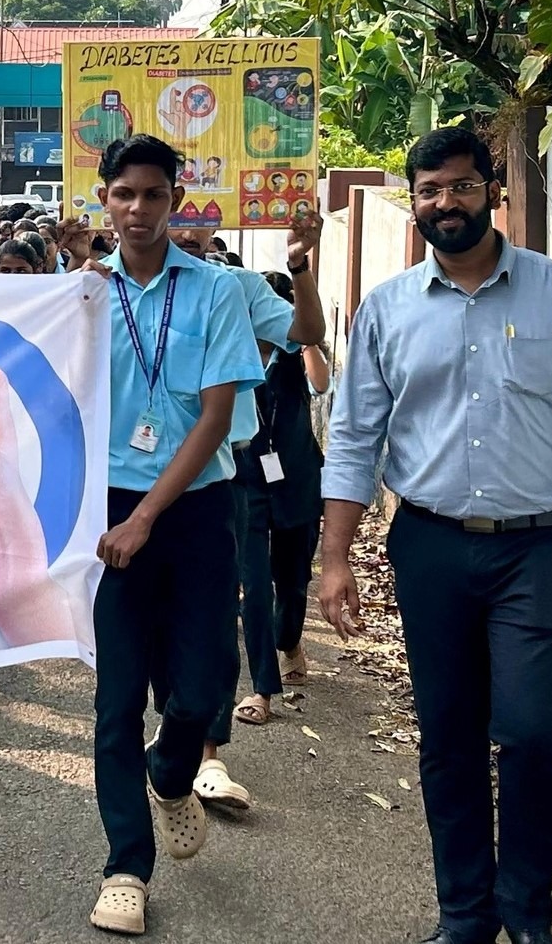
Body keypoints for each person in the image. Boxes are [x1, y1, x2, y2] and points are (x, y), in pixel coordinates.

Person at [318, 126, 552, 944]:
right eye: (430, 190)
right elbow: (356, 436)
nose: (447, 203)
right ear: (414, 202)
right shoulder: (388, 309)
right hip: (430, 547)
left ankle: (527, 914)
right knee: (449, 734)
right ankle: (465, 914)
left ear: (493, 191)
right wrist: (334, 557)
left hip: (539, 548)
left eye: (462, 186)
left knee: (534, 731)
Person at [81, 134, 263, 936]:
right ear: (104, 198)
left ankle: (172, 769)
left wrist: (147, 515)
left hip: (193, 506)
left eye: (153, 194)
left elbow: (216, 417)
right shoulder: (85, 293)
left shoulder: (215, 289)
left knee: (204, 683)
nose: (138, 208)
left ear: (175, 200)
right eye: (124, 193)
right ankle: (126, 866)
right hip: (106, 506)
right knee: (117, 696)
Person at [156, 218, 323, 814]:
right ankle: (168, 740)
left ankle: (207, 756)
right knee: (153, 619)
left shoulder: (239, 288)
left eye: (199, 219)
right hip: (136, 477)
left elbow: (305, 332)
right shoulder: (114, 286)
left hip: (226, 472)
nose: (188, 231)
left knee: (219, 606)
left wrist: (299, 265)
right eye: (178, 221)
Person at [235, 270, 329, 720]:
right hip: (246, 479)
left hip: (297, 478)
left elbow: (321, 383)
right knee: (254, 586)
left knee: (292, 580)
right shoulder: (230, 350)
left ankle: (289, 640)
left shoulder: (295, 354)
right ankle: (262, 689)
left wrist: (304, 339)